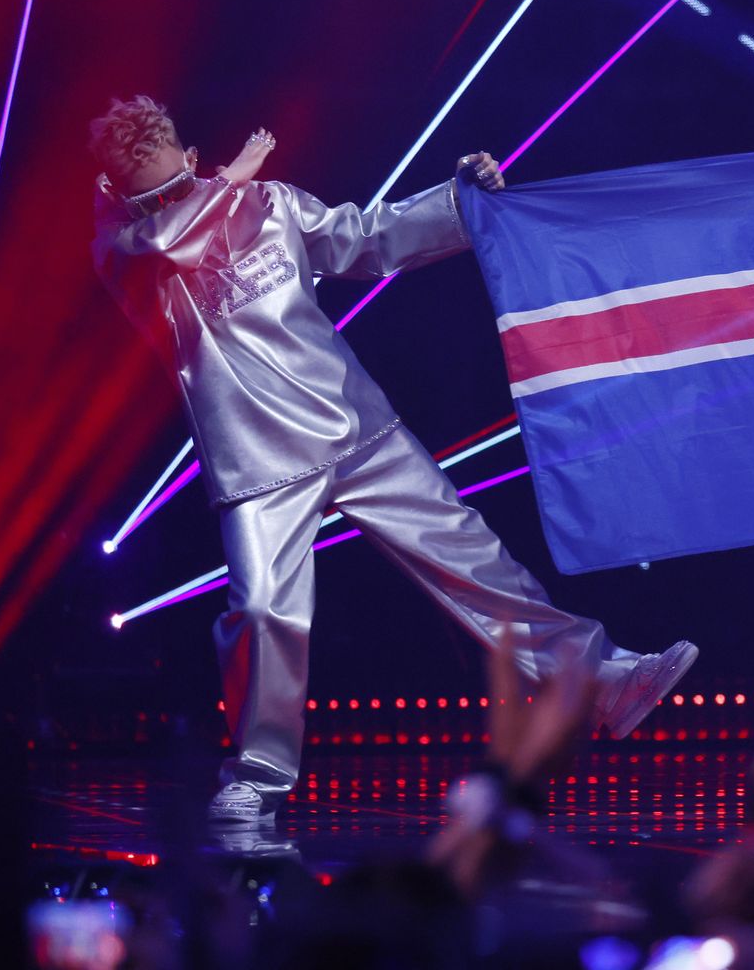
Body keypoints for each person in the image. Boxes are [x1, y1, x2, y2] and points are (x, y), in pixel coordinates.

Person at [88, 96, 696, 825]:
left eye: (184, 184)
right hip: (258, 464)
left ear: (193, 161)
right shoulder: (130, 254)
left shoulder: (271, 204)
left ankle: (604, 677)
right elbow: (162, 241)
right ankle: (257, 774)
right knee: (260, 611)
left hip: (354, 427)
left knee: (474, 562)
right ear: (116, 200)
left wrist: (461, 202)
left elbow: (367, 237)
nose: (179, 203)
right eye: (155, 200)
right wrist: (230, 179)